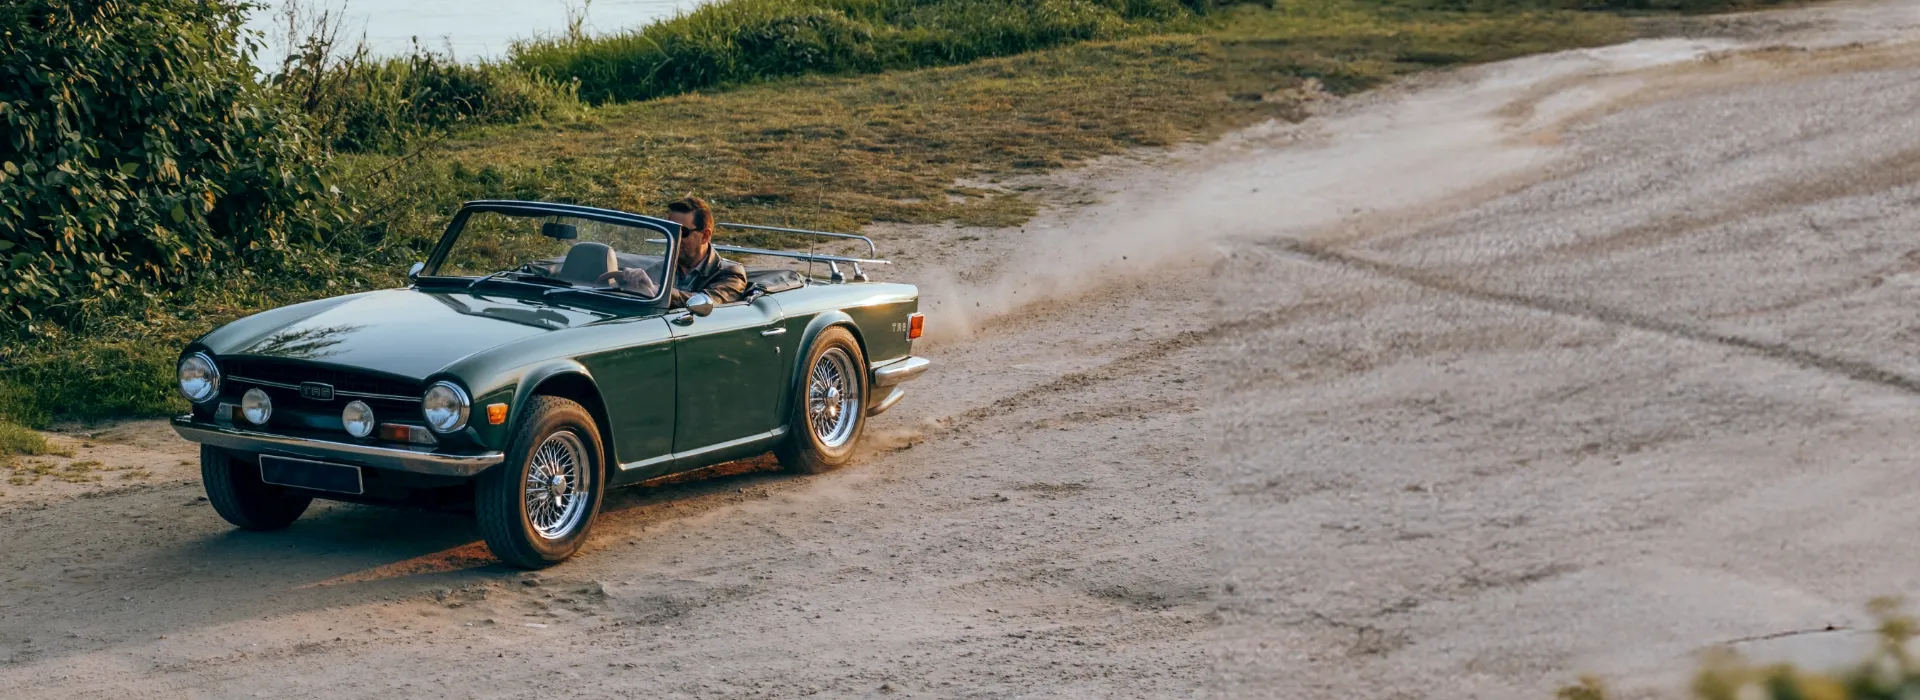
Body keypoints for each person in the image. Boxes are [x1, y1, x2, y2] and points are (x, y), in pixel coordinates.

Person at [598, 196, 749, 306]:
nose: (673, 239)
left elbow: (707, 302)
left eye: (682, 233)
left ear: (705, 236)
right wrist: (629, 285)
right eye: (669, 232)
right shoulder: (658, 270)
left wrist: (658, 291)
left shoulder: (730, 274)